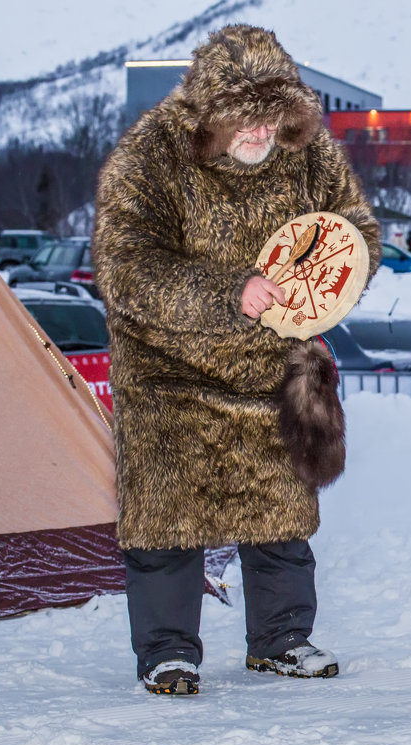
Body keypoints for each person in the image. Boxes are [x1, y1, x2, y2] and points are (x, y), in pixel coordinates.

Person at [93, 25, 382, 695]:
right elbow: (124, 265)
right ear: (210, 113)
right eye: (243, 117)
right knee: (168, 521)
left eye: (270, 115)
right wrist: (229, 292)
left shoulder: (307, 152)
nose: (259, 131)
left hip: (272, 368)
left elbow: (355, 229)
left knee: (280, 514)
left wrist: (331, 284)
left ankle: (281, 638)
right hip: (171, 374)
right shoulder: (152, 154)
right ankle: (167, 651)